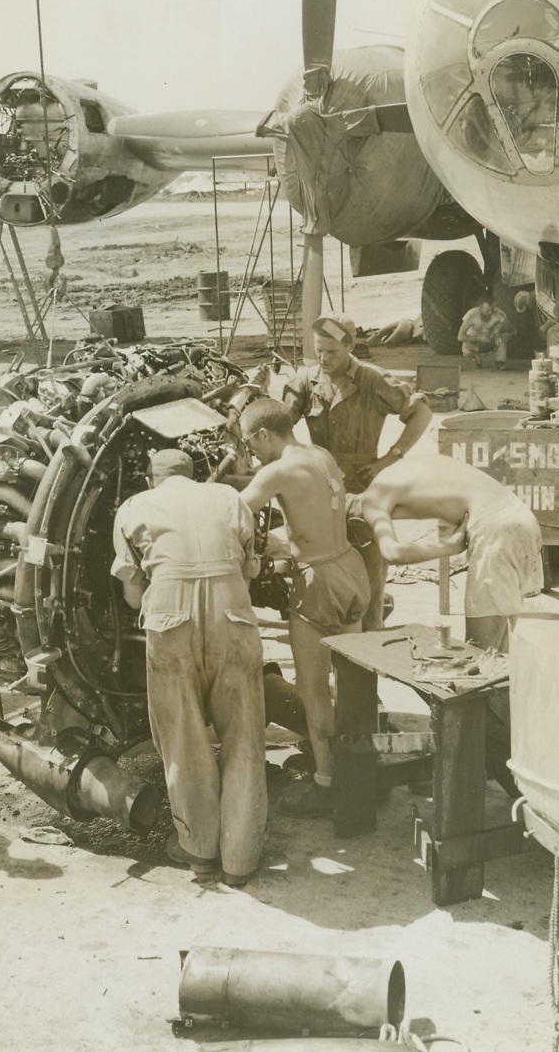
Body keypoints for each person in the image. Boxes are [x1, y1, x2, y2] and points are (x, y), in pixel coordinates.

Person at [111, 447, 266, 887]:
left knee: (184, 737)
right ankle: (241, 860)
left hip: (169, 615)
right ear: (194, 474)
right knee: (244, 733)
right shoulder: (229, 499)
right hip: (233, 612)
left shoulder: (133, 507)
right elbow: (249, 568)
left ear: (150, 476)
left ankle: (199, 852)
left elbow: (133, 597)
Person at [239, 396, 370, 819]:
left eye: (250, 443)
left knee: (313, 691)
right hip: (350, 568)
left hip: (319, 583)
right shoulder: (320, 454)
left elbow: (232, 514)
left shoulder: (276, 471)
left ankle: (328, 786)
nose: (250, 452)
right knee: (350, 682)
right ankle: (358, 773)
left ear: (264, 434)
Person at [282, 313, 432, 630]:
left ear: (350, 346)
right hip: (320, 492)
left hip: (365, 491)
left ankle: (370, 639)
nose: (323, 358)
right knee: (324, 575)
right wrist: (301, 458)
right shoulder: (305, 381)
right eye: (318, 350)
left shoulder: (373, 380)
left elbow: (421, 412)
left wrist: (390, 458)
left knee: (371, 576)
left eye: (332, 352)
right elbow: (279, 426)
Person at [353, 451, 543, 653]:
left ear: (352, 522)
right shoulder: (396, 472)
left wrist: (450, 547)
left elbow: (392, 553)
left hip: (497, 533)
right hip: (520, 517)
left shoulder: (371, 501)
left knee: (477, 657)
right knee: (498, 656)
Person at [457, 298, 514, 369]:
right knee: (466, 348)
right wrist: (479, 338)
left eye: (492, 310)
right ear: (480, 307)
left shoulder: (498, 313)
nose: (490, 313)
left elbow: (513, 330)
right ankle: (476, 359)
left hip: (490, 341)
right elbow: (460, 337)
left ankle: (500, 361)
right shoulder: (471, 314)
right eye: (487, 311)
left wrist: (508, 335)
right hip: (474, 342)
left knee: (500, 335)